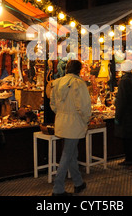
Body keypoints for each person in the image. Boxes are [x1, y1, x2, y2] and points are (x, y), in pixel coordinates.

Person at [50, 59, 91, 196]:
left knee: (72, 154)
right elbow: (83, 107)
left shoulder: (56, 83)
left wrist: (61, 114)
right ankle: (58, 189)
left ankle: (78, 182)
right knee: (67, 155)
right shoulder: (79, 84)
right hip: (74, 123)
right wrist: (86, 120)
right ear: (79, 70)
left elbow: (53, 105)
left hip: (61, 122)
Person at [114, 60, 132, 169]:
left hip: (126, 115)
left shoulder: (124, 81)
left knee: (129, 139)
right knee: (131, 138)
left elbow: (121, 100)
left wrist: (118, 116)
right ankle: (130, 159)